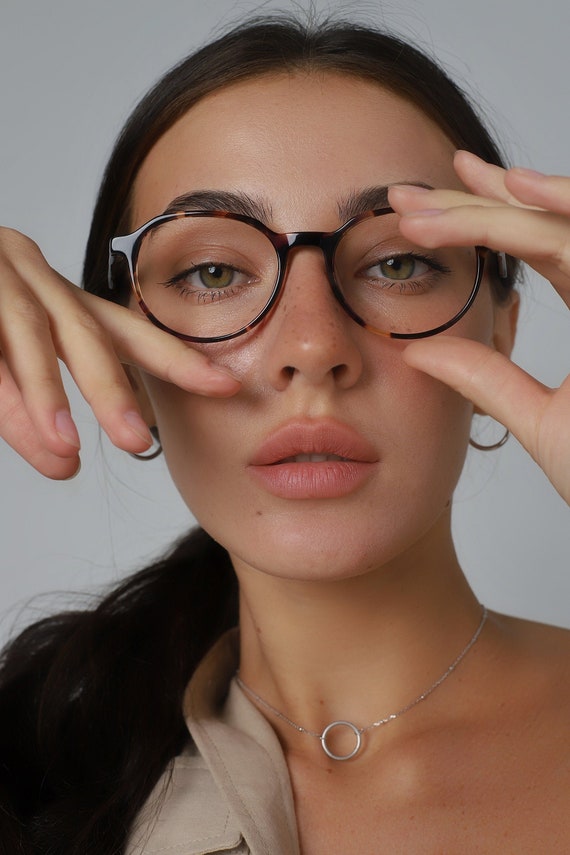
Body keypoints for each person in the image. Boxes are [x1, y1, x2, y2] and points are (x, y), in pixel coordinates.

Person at [0, 14, 569, 855]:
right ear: (115, 351)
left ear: (502, 333)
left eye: (398, 264)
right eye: (215, 272)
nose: (312, 347)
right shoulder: (31, 767)